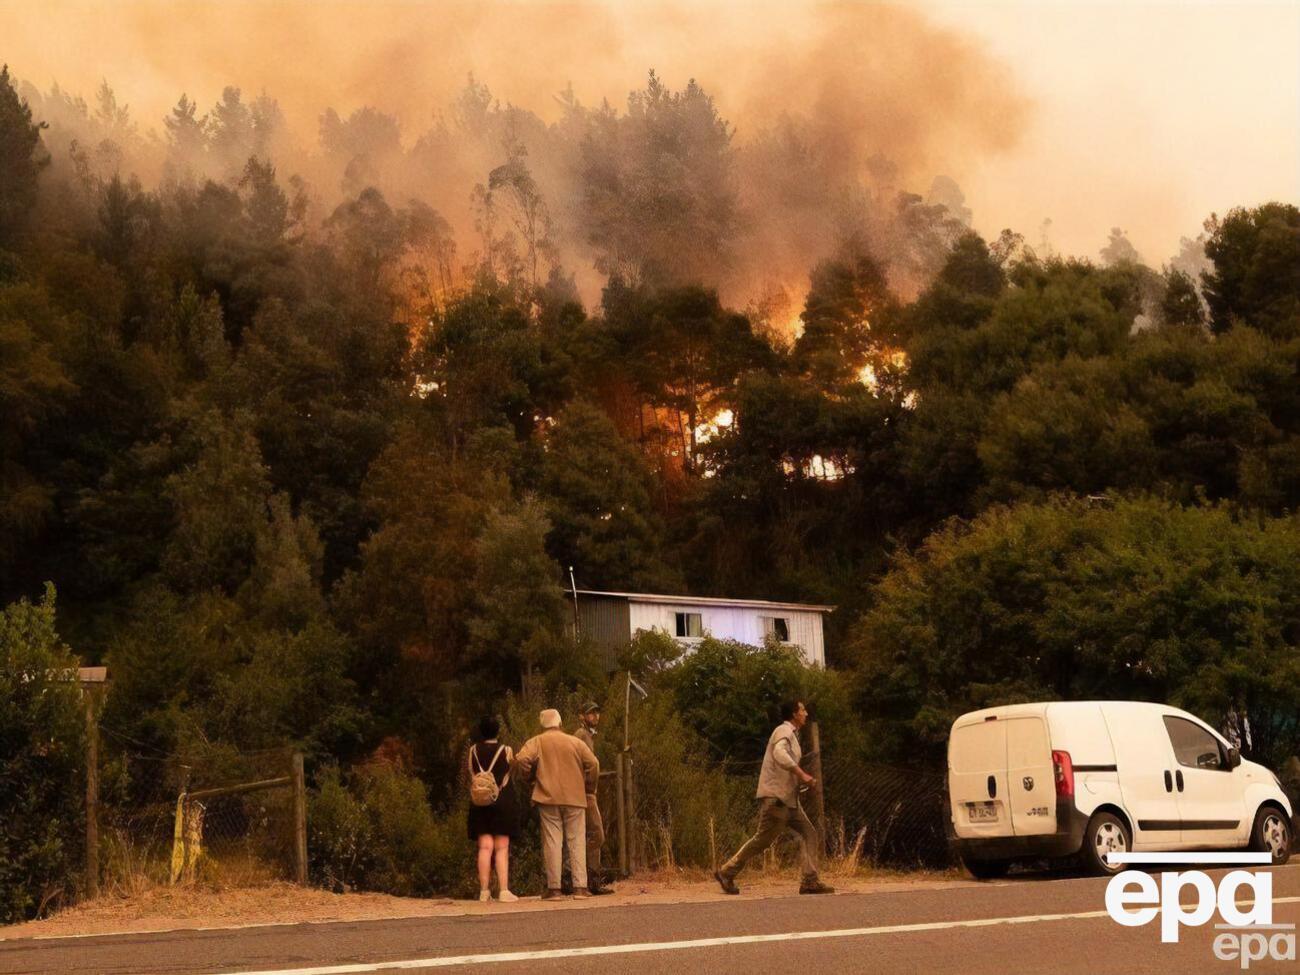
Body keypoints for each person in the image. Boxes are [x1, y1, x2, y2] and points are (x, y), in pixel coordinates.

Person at [715, 700, 834, 896]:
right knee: (762, 840)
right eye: (802, 710)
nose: (806, 713)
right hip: (777, 800)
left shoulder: (792, 735)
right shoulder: (783, 731)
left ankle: (810, 881)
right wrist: (801, 774)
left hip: (788, 801)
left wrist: (799, 782)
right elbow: (779, 754)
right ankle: (727, 872)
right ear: (794, 714)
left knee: (809, 833)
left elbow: (783, 765)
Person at [513, 708, 599, 900]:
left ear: (542, 725)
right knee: (576, 840)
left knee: (552, 842)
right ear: (560, 724)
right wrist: (588, 786)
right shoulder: (575, 742)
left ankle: (554, 889)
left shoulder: (537, 741)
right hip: (575, 797)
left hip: (548, 797)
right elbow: (593, 764)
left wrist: (529, 778)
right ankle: (580, 887)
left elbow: (521, 759)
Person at [466, 715, 520, 902]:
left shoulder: (472, 751)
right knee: (502, 846)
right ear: (498, 731)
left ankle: (484, 891)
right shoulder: (506, 750)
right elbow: (509, 773)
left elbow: (471, 774)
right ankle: (503, 890)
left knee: (484, 846)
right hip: (501, 801)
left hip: (479, 803)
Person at [572, 702, 613, 895]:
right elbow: (588, 764)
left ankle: (589, 879)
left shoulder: (587, 735)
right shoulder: (581, 735)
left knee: (590, 835)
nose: (595, 716)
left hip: (584, 791)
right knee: (597, 834)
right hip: (585, 792)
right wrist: (589, 784)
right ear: (582, 716)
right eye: (590, 713)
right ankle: (590, 880)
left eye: (597, 712)